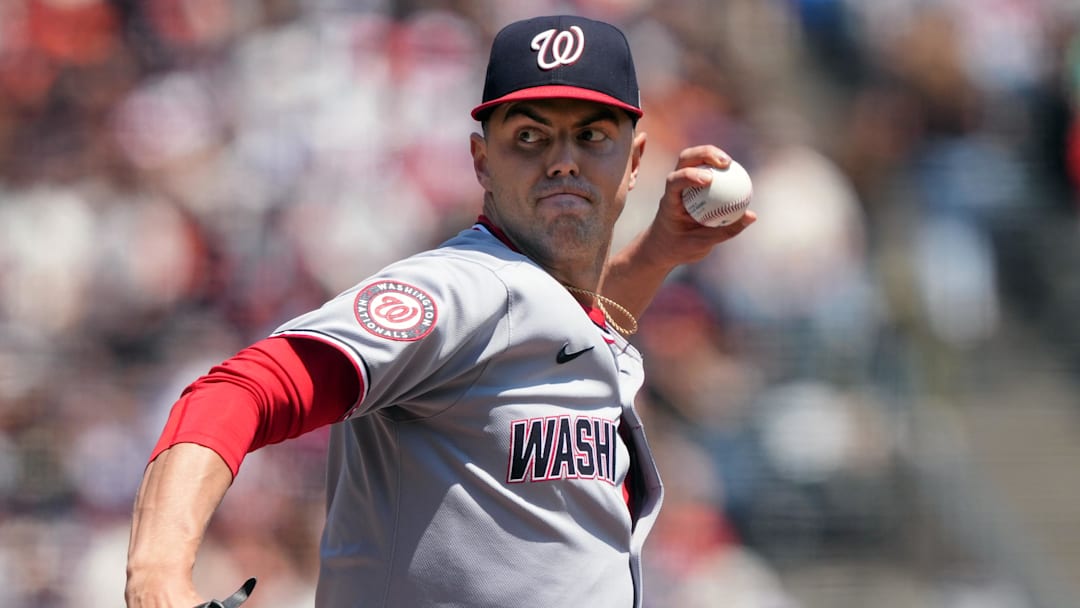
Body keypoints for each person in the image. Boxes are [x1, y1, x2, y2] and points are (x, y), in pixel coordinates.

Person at [125, 14, 755, 608]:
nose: (563, 159)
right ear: (482, 161)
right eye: (530, 136)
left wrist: (656, 254)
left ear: (635, 161)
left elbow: (561, 330)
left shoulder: (541, 306)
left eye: (591, 135)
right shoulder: (457, 288)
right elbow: (237, 392)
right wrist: (158, 570)